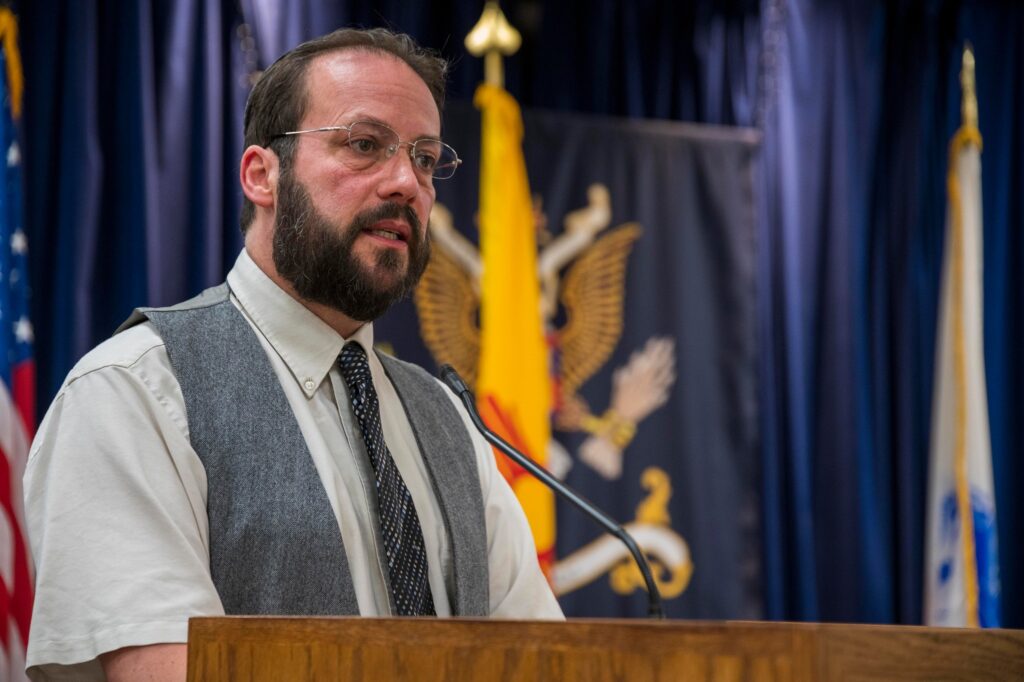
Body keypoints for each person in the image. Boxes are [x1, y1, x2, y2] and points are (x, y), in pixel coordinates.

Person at [23, 27, 562, 682]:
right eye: (366, 145)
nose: (406, 184)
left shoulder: (446, 418)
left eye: (424, 159)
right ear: (261, 175)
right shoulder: (135, 391)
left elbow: (540, 662)